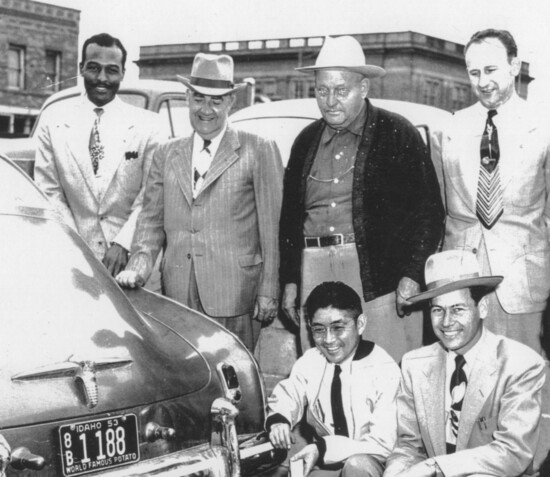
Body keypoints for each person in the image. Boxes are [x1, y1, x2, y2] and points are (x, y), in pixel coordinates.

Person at [279, 35, 444, 362]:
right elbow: (289, 218)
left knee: (384, 372)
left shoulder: (398, 133)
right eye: (322, 90)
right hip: (313, 270)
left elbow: (429, 213)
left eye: (341, 90)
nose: (330, 101)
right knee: (324, 376)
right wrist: (290, 280)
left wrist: (412, 274)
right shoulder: (305, 141)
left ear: (364, 88)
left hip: (376, 279)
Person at [116, 53, 283, 351]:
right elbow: (150, 222)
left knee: (235, 385)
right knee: (187, 383)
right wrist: (138, 268)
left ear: (231, 101)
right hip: (178, 295)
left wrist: (269, 289)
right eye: (199, 99)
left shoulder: (258, 149)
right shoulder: (166, 153)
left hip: (235, 296)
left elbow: (273, 229)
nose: (207, 109)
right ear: (188, 98)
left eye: (216, 101)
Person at [384, 250, 545, 477]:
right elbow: (408, 446)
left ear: (483, 308)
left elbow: (513, 452)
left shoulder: (521, 364)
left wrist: (435, 467)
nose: (447, 322)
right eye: (437, 310)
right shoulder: (414, 365)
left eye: (458, 309)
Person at [441, 29, 550, 354]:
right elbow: (439, 207)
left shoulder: (542, 127)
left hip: (523, 288)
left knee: (520, 386)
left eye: (491, 70)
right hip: (461, 284)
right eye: (474, 72)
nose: (482, 81)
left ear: (514, 66)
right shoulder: (451, 127)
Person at [35, 33, 162, 280]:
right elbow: (48, 191)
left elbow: (151, 195)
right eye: (93, 68)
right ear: (81, 68)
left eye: (112, 70)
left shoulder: (149, 126)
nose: (102, 78)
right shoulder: (53, 122)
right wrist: (78, 248)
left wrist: (123, 244)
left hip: (132, 263)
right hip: (71, 259)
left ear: (123, 72)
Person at [267, 281, 400, 477]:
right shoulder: (312, 360)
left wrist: (322, 448)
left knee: (357, 466)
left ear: (360, 324)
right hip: (328, 461)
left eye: (338, 328)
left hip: (376, 464)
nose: (328, 340)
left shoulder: (384, 369)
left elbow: (383, 444)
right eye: (319, 330)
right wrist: (280, 420)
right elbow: (289, 393)